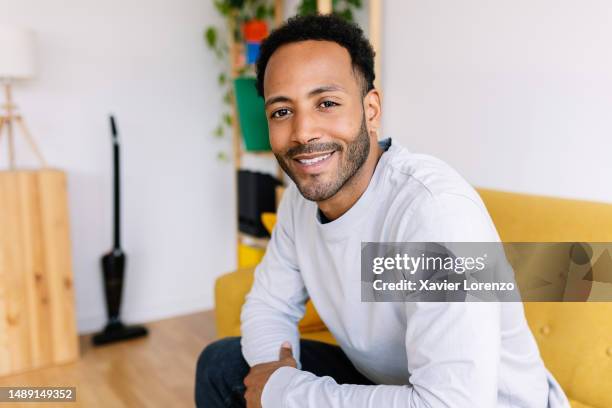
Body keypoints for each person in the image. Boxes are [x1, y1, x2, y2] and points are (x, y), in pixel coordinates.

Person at [195, 14, 570, 408]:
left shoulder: (436, 216)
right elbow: (268, 306)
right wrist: (276, 375)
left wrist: (287, 394)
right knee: (222, 366)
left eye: (326, 103)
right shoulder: (299, 203)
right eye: (282, 112)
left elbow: (453, 403)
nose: (303, 132)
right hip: (393, 383)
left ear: (371, 110)